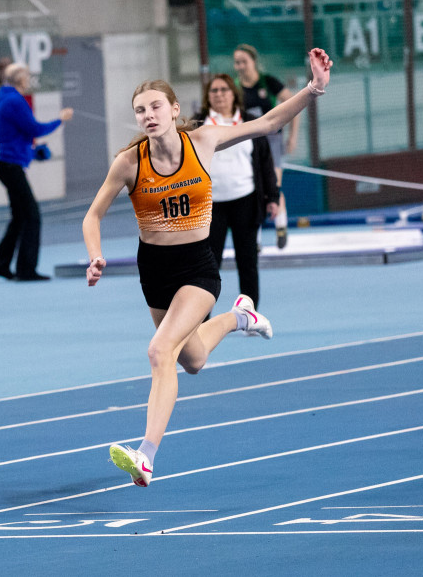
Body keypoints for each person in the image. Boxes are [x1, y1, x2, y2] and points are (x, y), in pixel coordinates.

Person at [82, 48, 332, 488]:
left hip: (198, 267)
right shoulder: (129, 163)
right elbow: (92, 215)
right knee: (192, 359)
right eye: (140, 110)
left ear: (175, 110)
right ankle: (240, 318)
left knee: (161, 353)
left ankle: (146, 454)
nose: (148, 115)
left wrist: (313, 89)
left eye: (156, 106)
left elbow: (268, 124)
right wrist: (95, 254)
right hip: (154, 269)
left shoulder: (204, 139)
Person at [193, 74, 279, 308]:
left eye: (224, 90)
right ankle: (200, 320)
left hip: (246, 201)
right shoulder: (196, 125)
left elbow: (265, 163)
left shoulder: (250, 122)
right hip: (210, 206)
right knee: (208, 265)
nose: (219, 95)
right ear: (207, 96)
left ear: (234, 94)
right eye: (214, 91)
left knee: (248, 262)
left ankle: (250, 314)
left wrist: (272, 197)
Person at [0, 63, 73, 281]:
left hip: (8, 164)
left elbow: (14, 137)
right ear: (19, 79)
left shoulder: (6, 100)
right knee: (32, 216)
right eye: (26, 76)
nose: (29, 80)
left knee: (20, 217)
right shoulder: (15, 101)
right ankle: (25, 269)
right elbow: (35, 129)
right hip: (10, 166)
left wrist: (33, 153)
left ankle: (1, 264)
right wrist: (60, 119)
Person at [232, 43, 298, 249]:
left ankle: (281, 227)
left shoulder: (268, 83)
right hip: (248, 143)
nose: (241, 66)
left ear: (254, 61)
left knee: (273, 185)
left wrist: (292, 137)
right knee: (252, 188)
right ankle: (256, 239)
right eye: (237, 63)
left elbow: (293, 105)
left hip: (272, 141)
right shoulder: (234, 88)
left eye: (244, 61)